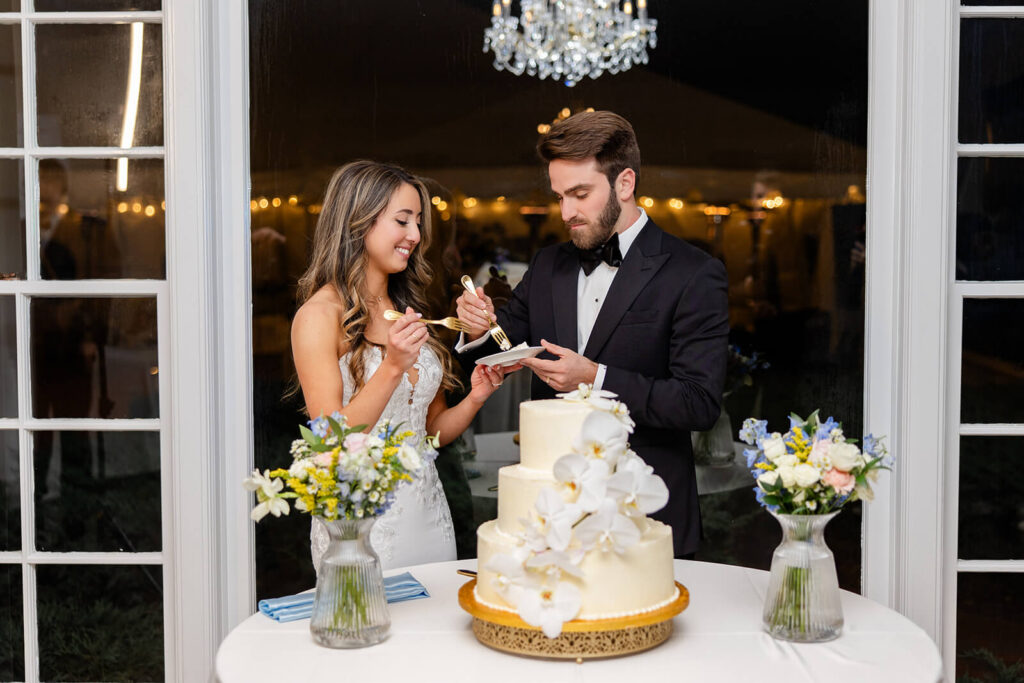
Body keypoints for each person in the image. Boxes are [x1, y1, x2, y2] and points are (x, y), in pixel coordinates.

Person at [456, 111, 729, 558]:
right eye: (560, 196)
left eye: (580, 194)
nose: (566, 212)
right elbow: (496, 350)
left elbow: (698, 402)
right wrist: (475, 330)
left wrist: (596, 378)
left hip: (646, 517)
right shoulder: (547, 265)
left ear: (624, 183)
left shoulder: (693, 273)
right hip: (552, 519)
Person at [291, 160, 510, 571]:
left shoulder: (408, 309)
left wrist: (477, 397)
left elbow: (430, 432)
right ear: (359, 221)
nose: (416, 235)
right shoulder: (319, 316)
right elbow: (332, 440)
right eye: (403, 220)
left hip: (428, 517)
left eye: (418, 223)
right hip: (362, 525)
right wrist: (392, 366)